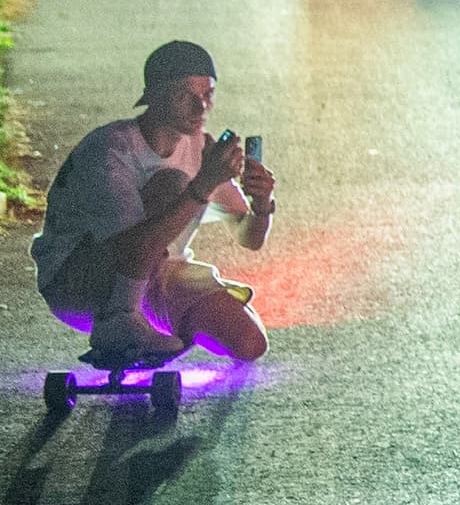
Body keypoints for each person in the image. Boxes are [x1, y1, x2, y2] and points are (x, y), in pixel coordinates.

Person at [28, 40, 278, 364]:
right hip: (80, 279)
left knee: (249, 344)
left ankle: (156, 336)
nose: (200, 107)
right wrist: (202, 184)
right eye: (185, 96)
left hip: (157, 275)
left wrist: (262, 203)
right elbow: (132, 247)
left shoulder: (200, 147)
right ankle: (119, 320)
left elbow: (250, 238)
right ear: (155, 96)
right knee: (171, 183)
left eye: (207, 94)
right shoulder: (111, 149)